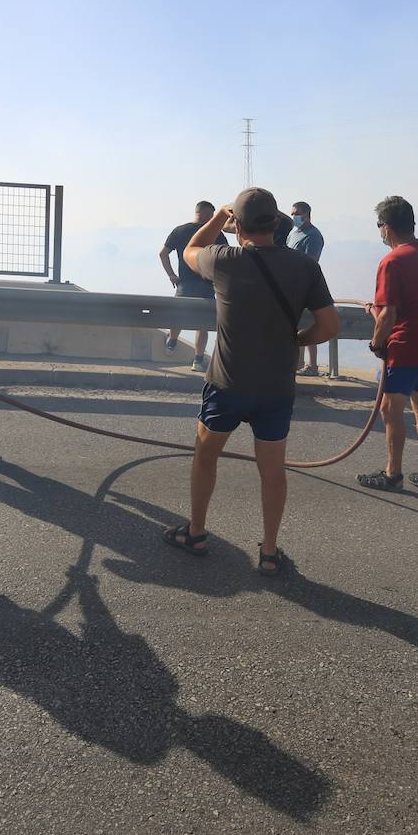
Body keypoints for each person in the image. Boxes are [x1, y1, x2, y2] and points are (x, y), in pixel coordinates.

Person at [161, 188, 339, 576]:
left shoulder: (224, 259)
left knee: (205, 459)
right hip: (276, 388)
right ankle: (271, 553)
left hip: (227, 383)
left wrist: (215, 218)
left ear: (236, 225)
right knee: (272, 472)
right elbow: (328, 326)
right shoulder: (303, 267)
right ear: (277, 223)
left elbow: (192, 249)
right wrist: (297, 340)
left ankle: (196, 533)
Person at [357, 196, 418, 494]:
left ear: (387, 228)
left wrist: (375, 342)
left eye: (379, 226)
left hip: (404, 348)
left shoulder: (391, 261)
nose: (380, 232)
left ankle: (392, 472)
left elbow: (388, 314)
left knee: (390, 408)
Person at [159, 201, 227, 372]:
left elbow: (163, 253)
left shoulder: (179, 230)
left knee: (179, 316)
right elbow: (225, 258)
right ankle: (197, 360)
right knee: (202, 324)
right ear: (206, 214)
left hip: (185, 283)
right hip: (207, 284)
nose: (213, 220)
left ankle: (172, 342)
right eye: (211, 216)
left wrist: (171, 275)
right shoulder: (216, 234)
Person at [289, 201, 327, 376]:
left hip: (306, 286)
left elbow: (312, 263)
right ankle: (299, 363)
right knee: (297, 325)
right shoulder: (293, 233)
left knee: (309, 324)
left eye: (297, 213)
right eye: (293, 213)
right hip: (291, 286)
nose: (294, 217)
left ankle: (312, 366)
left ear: (307, 214)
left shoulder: (313, 236)